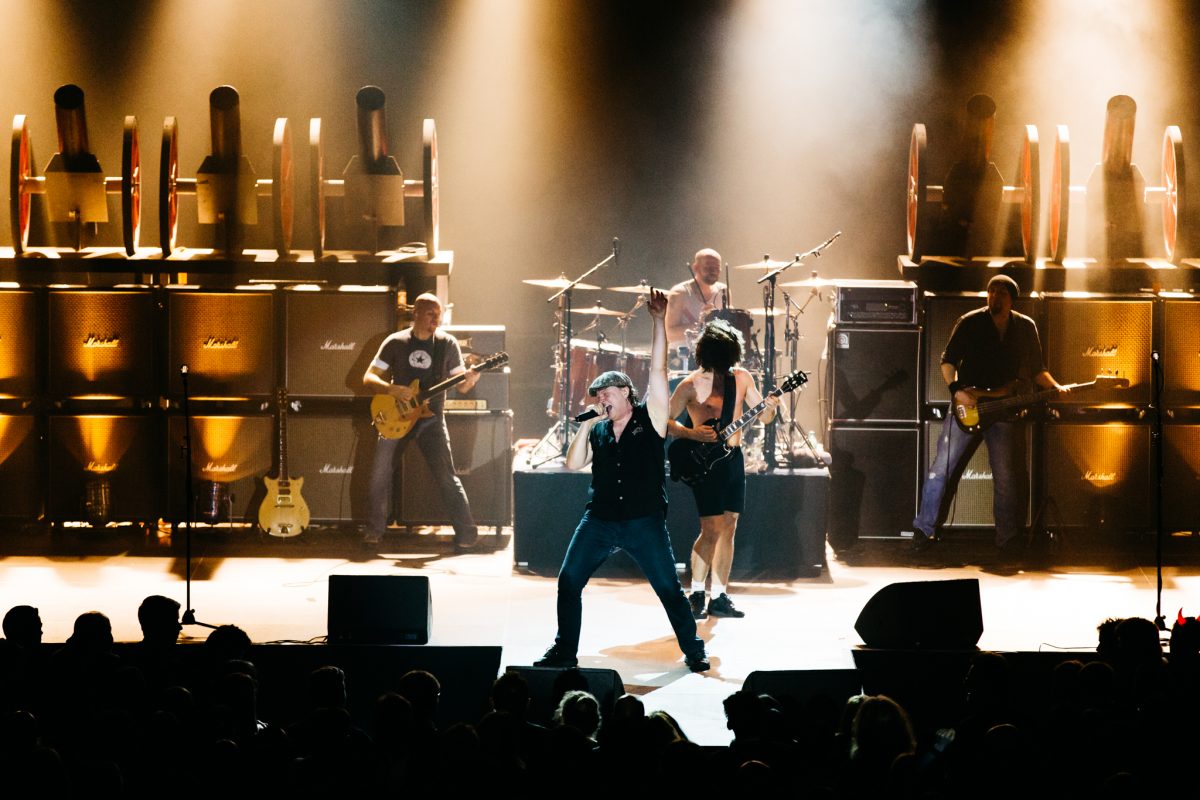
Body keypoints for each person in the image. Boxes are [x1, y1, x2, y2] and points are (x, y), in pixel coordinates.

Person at [534, 289, 710, 673]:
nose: (602, 399)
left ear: (626, 393)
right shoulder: (598, 429)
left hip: (643, 520)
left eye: (607, 393)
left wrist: (658, 321)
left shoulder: (650, 417)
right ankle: (564, 649)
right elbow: (573, 464)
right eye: (597, 395)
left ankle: (694, 649)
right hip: (599, 519)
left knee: (668, 588)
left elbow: (659, 372)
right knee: (569, 581)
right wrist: (586, 425)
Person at [913, 274, 1066, 557]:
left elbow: (1037, 370)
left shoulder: (1025, 327)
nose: (994, 296)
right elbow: (947, 362)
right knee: (940, 469)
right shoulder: (970, 321)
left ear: (1012, 299)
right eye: (991, 291)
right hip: (968, 408)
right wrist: (957, 391)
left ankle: (1007, 539)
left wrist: (1056, 387)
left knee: (1006, 477)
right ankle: (923, 530)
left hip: (1002, 409)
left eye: (1001, 292)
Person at [668, 319, 778, 619]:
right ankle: (696, 594)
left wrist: (771, 407)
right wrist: (691, 433)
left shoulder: (741, 378)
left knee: (729, 526)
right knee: (711, 528)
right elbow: (663, 422)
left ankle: (719, 596)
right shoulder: (690, 385)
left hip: (734, 459)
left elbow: (765, 417)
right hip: (706, 464)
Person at [364, 293, 480, 551]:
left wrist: (470, 380)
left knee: (447, 477)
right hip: (396, 418)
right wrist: (391, 389)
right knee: (379, 477)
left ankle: (467, 533)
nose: (436, 319)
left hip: (431, 420)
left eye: (439, 315)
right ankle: (373, 531)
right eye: (430, 314)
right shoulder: (395, 342)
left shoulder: (447, 344)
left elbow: (461, 386)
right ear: (415, 313)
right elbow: (368, 378)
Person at [665, 248, 728, 353]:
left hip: (714, 356)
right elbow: (668, 334)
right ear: (696, 268)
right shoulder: (680, 293)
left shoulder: (723, 291)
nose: (713, 271)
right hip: (684, 356)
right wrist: (702, 325)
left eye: (716, 267)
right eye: (708, 267)